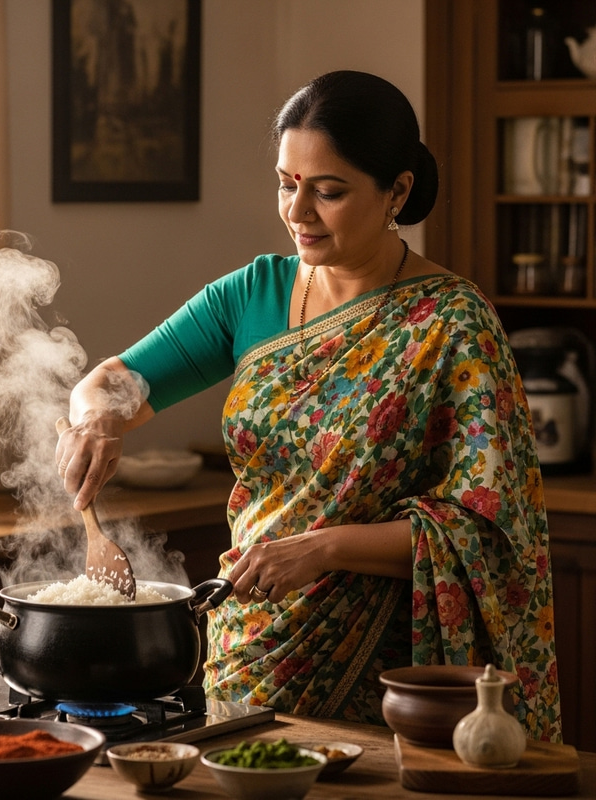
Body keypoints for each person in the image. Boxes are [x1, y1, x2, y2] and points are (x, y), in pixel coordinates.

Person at [55, 70, 561, 741]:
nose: (298, 212)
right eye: (286, 183)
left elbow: (491, 535)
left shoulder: (452, 324)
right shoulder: (251, 294)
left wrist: (323, 551)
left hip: (387, 672)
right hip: (248, 651)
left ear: (398, 192)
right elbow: (112, 380)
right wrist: (95, 419)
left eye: (328, 191)